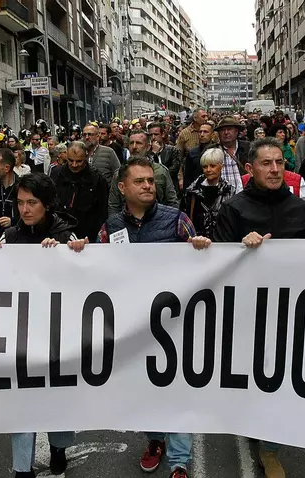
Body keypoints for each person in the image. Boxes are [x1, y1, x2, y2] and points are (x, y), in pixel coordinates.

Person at [72, 158, 210, 478]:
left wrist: (202, 248)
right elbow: (100, 273)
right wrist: (81, 252)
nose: (148, 185)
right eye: (140, 181)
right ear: (122, 188)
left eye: (150, 180)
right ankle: (155, 439)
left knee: (177, 390)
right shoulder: (110, 228)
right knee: (143, 389)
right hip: (134, 326)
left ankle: (179, 461)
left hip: (174, 325)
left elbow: (204, 266)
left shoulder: (177, 220)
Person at [213, 139, 305, 478]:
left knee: (281, 378)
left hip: (290, 312)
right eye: (266, 163)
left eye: (279, 163)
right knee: (254, 377)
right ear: (250, 168)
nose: (274, 169)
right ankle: (252, 423)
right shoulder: (233, 209)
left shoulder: (301, 210)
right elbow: (218, 263)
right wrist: (241, 249)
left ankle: (270, 449)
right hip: (248, 313)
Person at [0, 173, 77, 478]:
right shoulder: (9, 237)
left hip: (57, 335)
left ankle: (59, 448)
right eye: (20, 202)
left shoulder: (66, 235)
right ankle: (22, 468)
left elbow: (83, 280)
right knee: (21, 399)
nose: (24, 209)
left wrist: (67, 254)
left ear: (47, 204)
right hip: (19, 335)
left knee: (56, 397)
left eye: (32, 202)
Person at [108, 132, 178, 216]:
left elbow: (172, 202)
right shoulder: (120, 173)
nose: (134, 147)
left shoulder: (161, 171)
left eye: (138, 143)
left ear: (148, 147)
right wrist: (116, 223)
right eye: (131, 143)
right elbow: (114, 206)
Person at [50, 141, 109, 241]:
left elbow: (103, 210)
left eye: (79, 161)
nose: (74, 165)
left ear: (86, 157)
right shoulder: (56, 174)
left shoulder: (97, 179)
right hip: (60, 232)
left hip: (87, 235)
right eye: (70, 160)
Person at [181, 148, 236, 240]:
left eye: (212, 166)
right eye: (205, 166)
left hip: (222, 242)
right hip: (196, 242)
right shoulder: (191, 192)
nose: (208, 170)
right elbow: (184, 220)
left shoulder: (230, 191)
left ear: (222, 167)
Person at [0, 148, 19, 238]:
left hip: (17, 237)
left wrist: (13, 221)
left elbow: (31, 216)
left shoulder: (22, 188)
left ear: (6, 168)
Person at [215, 115, 249, 194]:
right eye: (222, 130)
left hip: (245, 196)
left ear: (236, 131)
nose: (226, 132)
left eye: (230, 129)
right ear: (218, 133)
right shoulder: (212, 151)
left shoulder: (248, 148)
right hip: (220, 197)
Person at [147, 122, 181, 190]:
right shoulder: (147, 152)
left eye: (156, 134)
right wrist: (154, 153)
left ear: (162, 134)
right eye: (151, 135)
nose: (153, 137)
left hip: (170, 187)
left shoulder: (172, 150)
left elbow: (173, 170)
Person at [183, 123, 218, 188]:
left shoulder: (218, 151)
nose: (202, 135)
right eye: (200, 132)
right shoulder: (192, 153)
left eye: (205, 132)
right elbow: (187, 176)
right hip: (197, 188)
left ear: (212, 134)